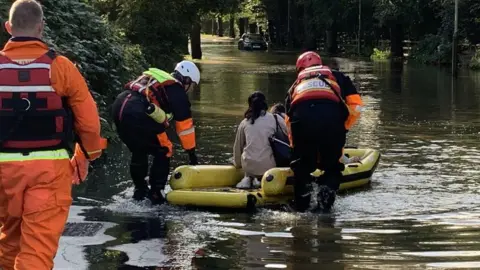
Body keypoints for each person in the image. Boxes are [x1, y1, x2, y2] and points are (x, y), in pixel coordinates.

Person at [0, 1, 107, 269]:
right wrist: (88, 155)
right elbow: (89, 123)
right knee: (36, 250)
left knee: (7, 244)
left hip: (3, 172)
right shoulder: (61, 67)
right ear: (41, 27)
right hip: (48, 171)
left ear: (8, 27)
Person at [285, 51, 364, 212]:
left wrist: (296, 150)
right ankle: (325, 205)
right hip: (333, 121)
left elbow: (289, 121)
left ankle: (302, 208)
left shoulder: (295, 86)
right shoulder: (339, 77)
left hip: (302, 122)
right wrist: (343, 127)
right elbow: (356, 106)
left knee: (302, 168)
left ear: (300, 69)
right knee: (333, 167)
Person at [112, 61, 200, 204]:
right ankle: (156, 192)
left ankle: (140, 190)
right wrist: (192, 154)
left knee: (138, 149)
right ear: (187, 80)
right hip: (137, 111)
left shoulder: (157, 78)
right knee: (165, 149)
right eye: (191, 85)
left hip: (119, 106)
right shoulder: (176, 89)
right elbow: (185, 127)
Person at [233, 92, 288, 189]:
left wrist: (237, 164)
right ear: (264, 103)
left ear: (250, 105)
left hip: (249, 167)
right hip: (269, 168)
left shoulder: (244, 123)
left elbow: (238, 147)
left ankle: (250, 178)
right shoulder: (275, 118)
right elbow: (289, 135)